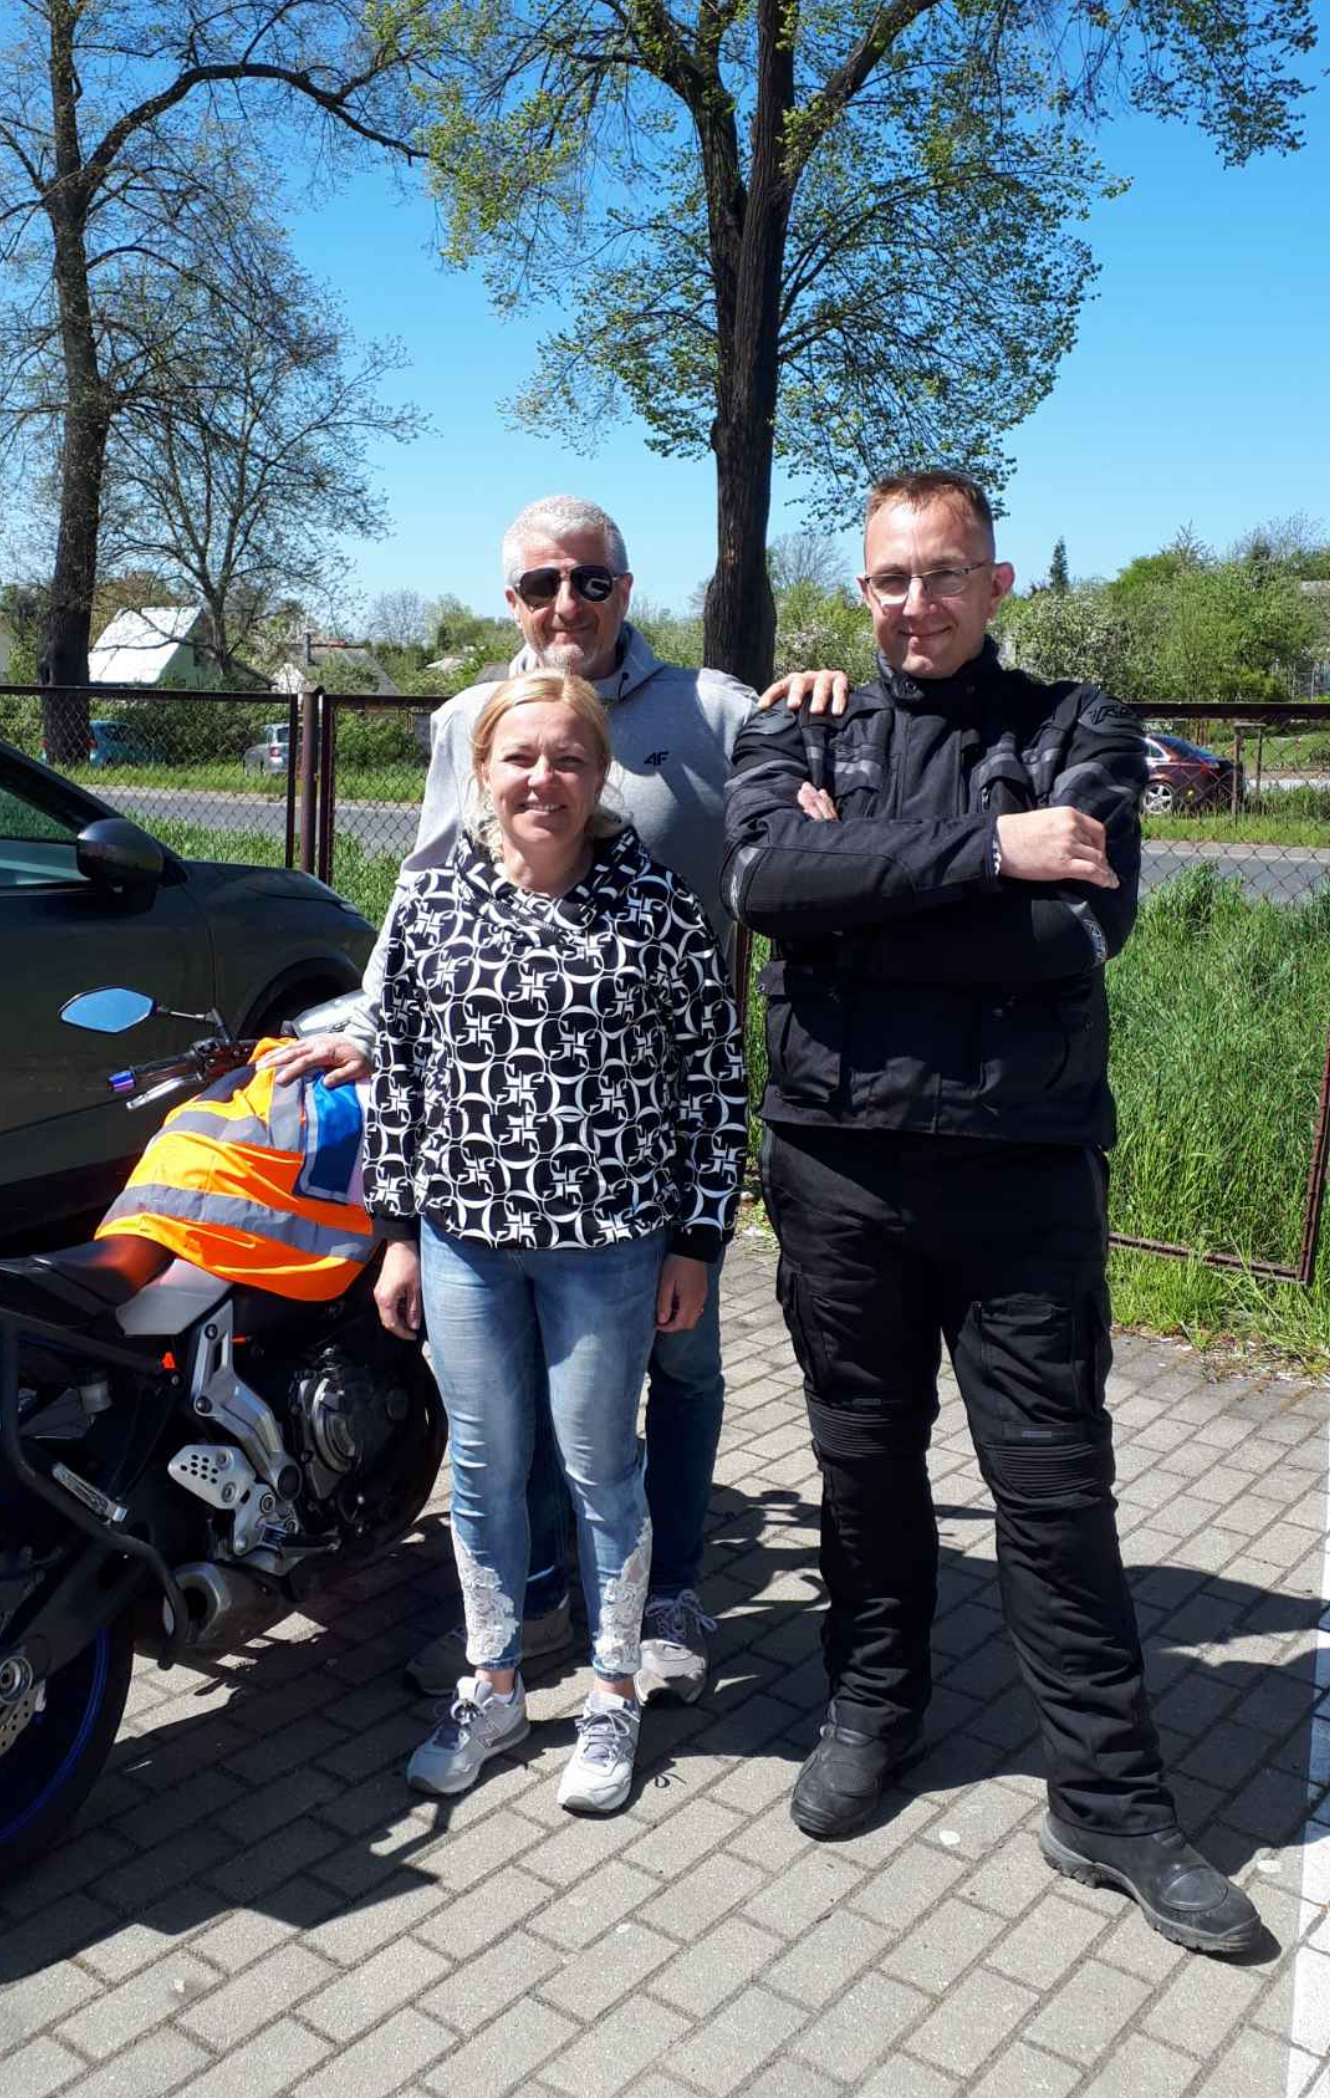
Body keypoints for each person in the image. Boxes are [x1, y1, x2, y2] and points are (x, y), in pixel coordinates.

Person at [721, 470, 1260, 1955]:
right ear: (863, 588)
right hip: (836, 1165)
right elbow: (765, 882)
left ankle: (1109, 1799)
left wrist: (858, 898)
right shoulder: (798, 722)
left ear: (996, 582)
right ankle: (871, 1707)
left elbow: (1070, 930)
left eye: (944, 573)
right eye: (890, 579)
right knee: (861, 1462)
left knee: (1053, 1486)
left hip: (1021, 1168)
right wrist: (987, 850)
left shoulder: (1078, 723)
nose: (916, 604)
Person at [269, 495, 843, 1707]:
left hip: (651, 1138)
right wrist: (374, 1030)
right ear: (512, 600)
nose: (566, 603)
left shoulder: (713, 709)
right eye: (541, 584)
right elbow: (426, 898)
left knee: (681, 1370)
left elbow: (824, 793)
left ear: (626, 588)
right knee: (527, 1396)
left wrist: (833, 697)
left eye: (589, 579)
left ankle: (668, 1596)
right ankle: (532, 1607)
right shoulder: (470, 719)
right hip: (516, 1147)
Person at [364, 670, 746, 1811]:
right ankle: (493, 1682)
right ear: (483, 770)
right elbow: (398, 1072)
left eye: (569, 758)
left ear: (600, 773)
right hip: (463, 1239)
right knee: (485, 1471)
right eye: (521, 757)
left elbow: (715, 1080)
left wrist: (697, 1240)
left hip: (610, 1247)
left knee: (599, 1469)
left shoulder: (655, 904)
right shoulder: (431, 896)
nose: (544, 779)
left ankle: (613, 1690)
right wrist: (396, 1233)